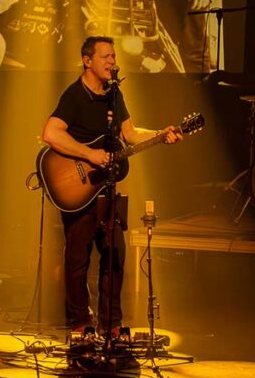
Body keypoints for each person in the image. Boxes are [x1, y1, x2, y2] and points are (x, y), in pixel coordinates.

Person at [41, 36, 180, 337]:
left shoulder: (114, 94)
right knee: (78, 259)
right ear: (87, 60)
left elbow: (129, 134)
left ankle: (111, 323)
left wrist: (160, 134)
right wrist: (89, 154)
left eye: (113, 56)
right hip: (78, 188)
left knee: (115, 255)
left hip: (107, 190)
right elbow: (50, 133)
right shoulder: (74, 95)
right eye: (105, 56)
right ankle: (80, 322)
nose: (111, 61)